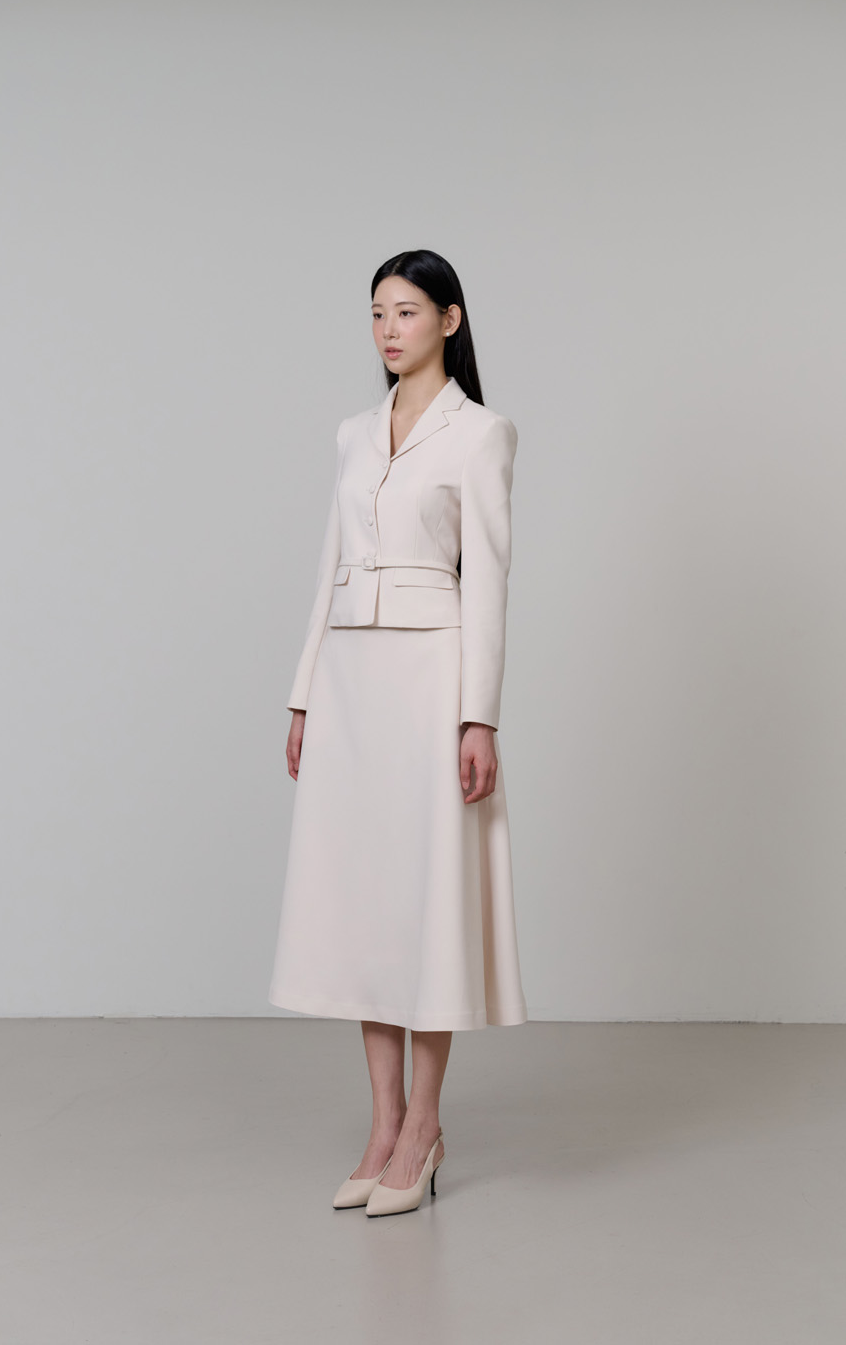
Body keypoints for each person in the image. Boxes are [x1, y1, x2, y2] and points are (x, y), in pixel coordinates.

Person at [268, 248, 527, 1217]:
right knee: (364, 902)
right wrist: (303, 695)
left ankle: (424, 1126)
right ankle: (380, 1127)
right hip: (349, 681)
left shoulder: (482, 434)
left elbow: (489, 580)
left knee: (427, 899)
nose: (388, 328)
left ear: (450, 320)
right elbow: (328, 566)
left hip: (430, 683)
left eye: (408, 310)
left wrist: (478, 715)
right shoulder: (351, 432)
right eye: (377, 311)